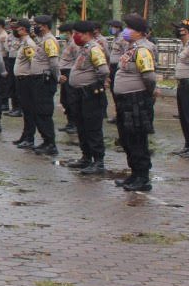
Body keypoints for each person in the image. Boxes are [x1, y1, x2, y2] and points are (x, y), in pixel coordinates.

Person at [111, 13, 157, 191]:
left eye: (129, 28)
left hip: (136, 99)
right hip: (126, 100)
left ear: (139, 32)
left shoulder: (143, 50)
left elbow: (149, 77)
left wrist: (148, 94)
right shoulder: (132, 48)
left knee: (137, 138)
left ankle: (143, 177)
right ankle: (134, 173)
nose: (126, 31)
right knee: (127, 138)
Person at [66, 20, 109, 174]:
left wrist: (93, 82)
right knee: (82, 127)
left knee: (93, 128)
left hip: (91, 94)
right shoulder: (84, 49)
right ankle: (86, 157)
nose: (74, 36)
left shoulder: (95, 49)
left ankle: (98, 161)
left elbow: (103, 70)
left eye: (77, 34)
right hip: (80, 94)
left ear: (86, 34)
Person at [31, 15, 61, 155]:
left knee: (44, 112)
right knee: (38, 111)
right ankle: (46, 140)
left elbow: (54, 63)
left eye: (38, 24)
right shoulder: (43, 40)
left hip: (45, 80)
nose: (35, 27)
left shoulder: (49, 41)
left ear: (45, 26)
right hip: (38, 80)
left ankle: (50, 143)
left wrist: (58, 77)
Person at [11, 18, 41, 150]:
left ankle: (29, 138)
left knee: (29, 110)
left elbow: (32, 62)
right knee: (25, 109)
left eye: (18, 28)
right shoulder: (23, 43)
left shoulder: (28, 44)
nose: (16, 30)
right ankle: (25, 135)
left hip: (27, 80)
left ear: (23, 29)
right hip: (21, 80)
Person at [173, 19, 189, 158]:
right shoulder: (184, 45)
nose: (178, 31)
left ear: (186, 30)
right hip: (181, 84)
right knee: (183, 116)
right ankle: (188, 144)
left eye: (180, 28)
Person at [57, 23, 80, 134]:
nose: (61, 35)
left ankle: (75, 123)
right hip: (64, 72)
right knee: (64, 100)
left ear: (68, 32)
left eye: (62, 32)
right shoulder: (67, 43)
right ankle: (69, 122)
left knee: (71, 100)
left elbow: (77, 60)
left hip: (70, 72)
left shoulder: (74, 44)